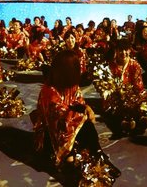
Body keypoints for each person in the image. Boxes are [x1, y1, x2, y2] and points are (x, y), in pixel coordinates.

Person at [31, 50, 121, 185]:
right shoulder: (48, 91)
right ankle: (71, 159)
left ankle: (98, 154)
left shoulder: (71, 85)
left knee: (87, 126)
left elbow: (78, 101)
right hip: (52, 134)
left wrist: (87, 108)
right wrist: (82, 115)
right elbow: (58, 118)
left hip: (69, 128)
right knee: (81, 129)